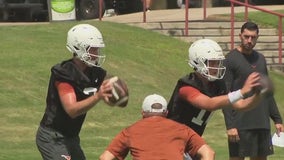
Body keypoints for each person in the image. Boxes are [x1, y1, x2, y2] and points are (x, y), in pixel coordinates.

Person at [36, 24, 114, 160]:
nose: (96, 53)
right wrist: (98, 96)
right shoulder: (64, 74)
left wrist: (116, 92)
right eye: (92, 48)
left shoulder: (95, 73)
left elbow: (112, 88)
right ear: (78, 47)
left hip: (71, 137)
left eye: (97, 49)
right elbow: (71, 110)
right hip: (52, 137)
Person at [167, 38, 263, 137]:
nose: (216, 66)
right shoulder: (187, 86)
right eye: (212, 62)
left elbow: (242, 104)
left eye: (218, 62)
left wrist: (259, 94)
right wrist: (242, 92)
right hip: (172, 137)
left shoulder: (217, 85)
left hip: (192, 139)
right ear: (198, 62)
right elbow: (209, 104)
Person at [222, 21, 284, 160]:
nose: (249, 40)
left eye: (253, 37)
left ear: (257, 37)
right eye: (246, 36)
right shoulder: (230, 59)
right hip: (240, 123)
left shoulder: (260, 59)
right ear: (240, 35)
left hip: (261, 122)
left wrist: (277, 119)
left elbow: (267, 92)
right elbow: (226, 95)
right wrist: (230, 126)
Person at [100, 94, 215, 160]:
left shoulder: (130, 131)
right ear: (166, 113)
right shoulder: (182, 129)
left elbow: (105, 158)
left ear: (143, 113)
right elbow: (208, 152)